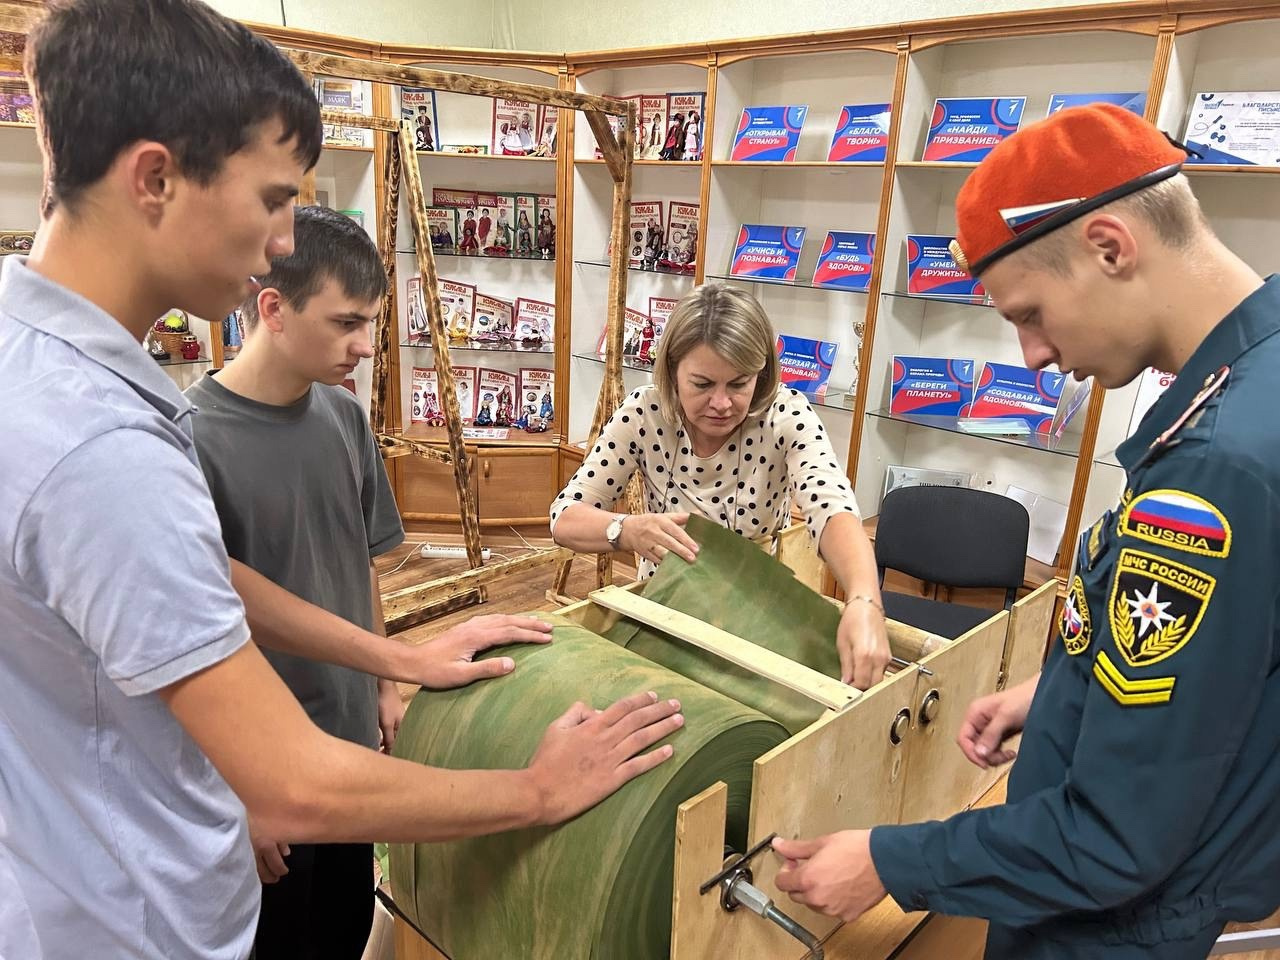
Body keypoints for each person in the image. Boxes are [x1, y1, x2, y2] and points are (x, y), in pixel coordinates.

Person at [0, 2, 683, 957]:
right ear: (155, 177)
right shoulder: (103, 445)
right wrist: (536, 789)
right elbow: (295, 782)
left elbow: (199, 585)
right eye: (272, 198)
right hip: (133, 921)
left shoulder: (31, 360)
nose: (282, 238)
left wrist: (396, 659)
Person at [772, 103, 1280, 958]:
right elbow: (1225, 666)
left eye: (1031, 312)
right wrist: (1064, 694)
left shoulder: (1215, 470)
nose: (1033, 355)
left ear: (1110, 248)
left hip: (1107, 924)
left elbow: (1115, 838)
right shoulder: (1250, 377)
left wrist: (893, 864)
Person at [186, 204, 520, 956]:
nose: (366, 347)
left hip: (346, 747)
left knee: (342, 930)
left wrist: (383, 687)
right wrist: (237, 788)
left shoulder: (343, 419)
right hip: (264, 770)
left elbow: (361, 562)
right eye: (345, 324)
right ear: (272, 308)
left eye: (372, 321)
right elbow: (186, 645)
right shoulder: (190, 440)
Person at [550, 282, 891, 689]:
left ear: (761, 375)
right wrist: (625, 530)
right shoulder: (644, 412)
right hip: (669, 609)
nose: (721, 403)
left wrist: (865, 599)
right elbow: (564, 516)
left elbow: (830, 505)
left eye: (739, 384)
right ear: (672, 370)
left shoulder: (785, 415)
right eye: (702, 384)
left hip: (762, 613)